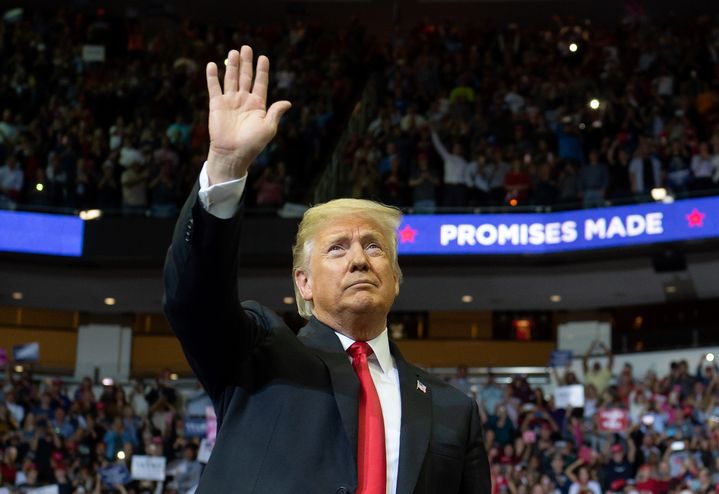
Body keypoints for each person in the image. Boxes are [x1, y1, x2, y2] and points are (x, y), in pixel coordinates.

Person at [163, 46, 491, 493]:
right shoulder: (256, 354)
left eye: (374, 247)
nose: (359, 259)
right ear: (304, 282)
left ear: (395, 278)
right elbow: (193, 300)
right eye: (337, 249)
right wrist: (225, 166)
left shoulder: (454, 409)